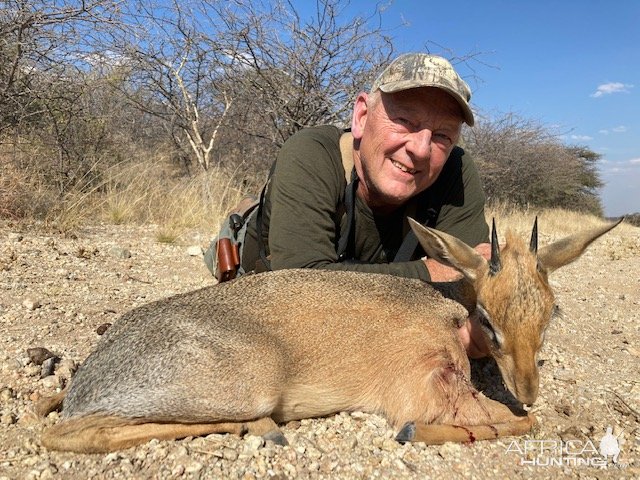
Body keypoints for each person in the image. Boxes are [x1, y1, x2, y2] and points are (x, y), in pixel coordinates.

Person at [208, 53, 491, 358]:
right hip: (260, 263)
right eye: (404, 121)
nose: (421, 150)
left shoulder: (455, 168)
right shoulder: (309, 152)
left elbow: (477, 284)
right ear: (361, 117)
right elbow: (302, 290)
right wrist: (431, 273)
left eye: (442, 135)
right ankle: (248, 209)